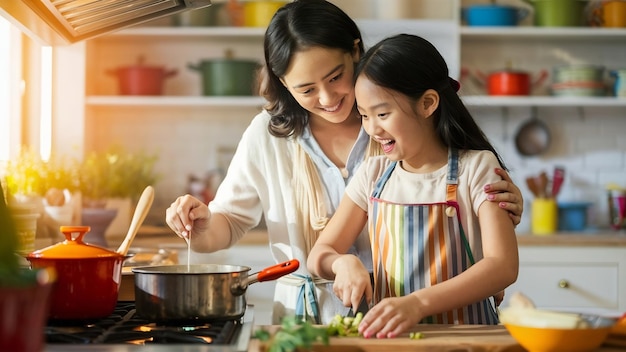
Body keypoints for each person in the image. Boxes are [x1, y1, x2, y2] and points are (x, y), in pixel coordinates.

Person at [166, 0, 522, 325]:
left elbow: (492, 251)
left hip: (409, 316)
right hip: (309, 316)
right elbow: (229, 223)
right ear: (284, 85)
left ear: (354, 50)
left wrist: (490, 212)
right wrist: (200, 224)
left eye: (336, 77)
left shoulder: (404, 133)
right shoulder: (271, 136)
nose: (328, 98)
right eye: (306, 89)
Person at [307, 33, 519, 338]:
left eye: (382, 114)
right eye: (364, 116)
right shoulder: (373, 174)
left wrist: (418, 303)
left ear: (428, 103)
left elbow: (503, 266)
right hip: (396, 339)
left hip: (469, 338)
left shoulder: (477, 168)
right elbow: (320, 254)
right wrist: (342, 263)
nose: (372, 129)